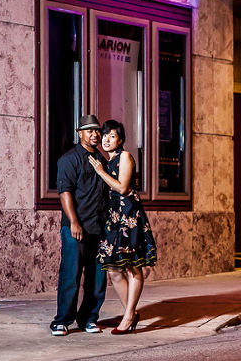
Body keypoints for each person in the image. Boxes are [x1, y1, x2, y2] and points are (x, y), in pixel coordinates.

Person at [88, 119, 157, 335]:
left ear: (120, 140)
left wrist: (100, 172)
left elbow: (122, 187)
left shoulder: (124, 157)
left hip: (129, 217)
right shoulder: (105, 161)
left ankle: (128, 317)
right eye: (105, 135)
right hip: (112, 219)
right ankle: (131, 312)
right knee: (114, 271)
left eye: (112, 136)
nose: (107, 139)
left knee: (132, 267)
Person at [50, 115, 109, 336]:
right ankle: (62, 321)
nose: (95, 134)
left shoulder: (101, 160)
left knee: (97, 277)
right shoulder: (69, 159)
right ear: (80, 133)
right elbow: (64, 191)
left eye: (97, 131)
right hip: (76, 227)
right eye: (90, 131)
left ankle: (88, 319)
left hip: (99, 227)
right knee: (71, 274)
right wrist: (74, 222)